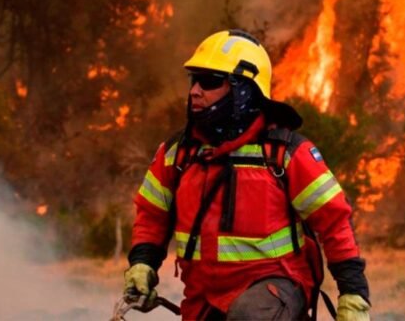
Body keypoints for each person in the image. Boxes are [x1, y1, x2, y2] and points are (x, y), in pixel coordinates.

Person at [123, 29, 370, 321]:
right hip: (204, 296)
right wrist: (142, 264)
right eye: (194, 80)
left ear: (244, 90)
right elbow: (152, 215)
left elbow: (334, 223)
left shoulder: (286, 153)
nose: (195, 91)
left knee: (248, 316)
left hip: (274, 288)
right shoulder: (177, 154)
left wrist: (353, 294)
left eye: (210, 81)